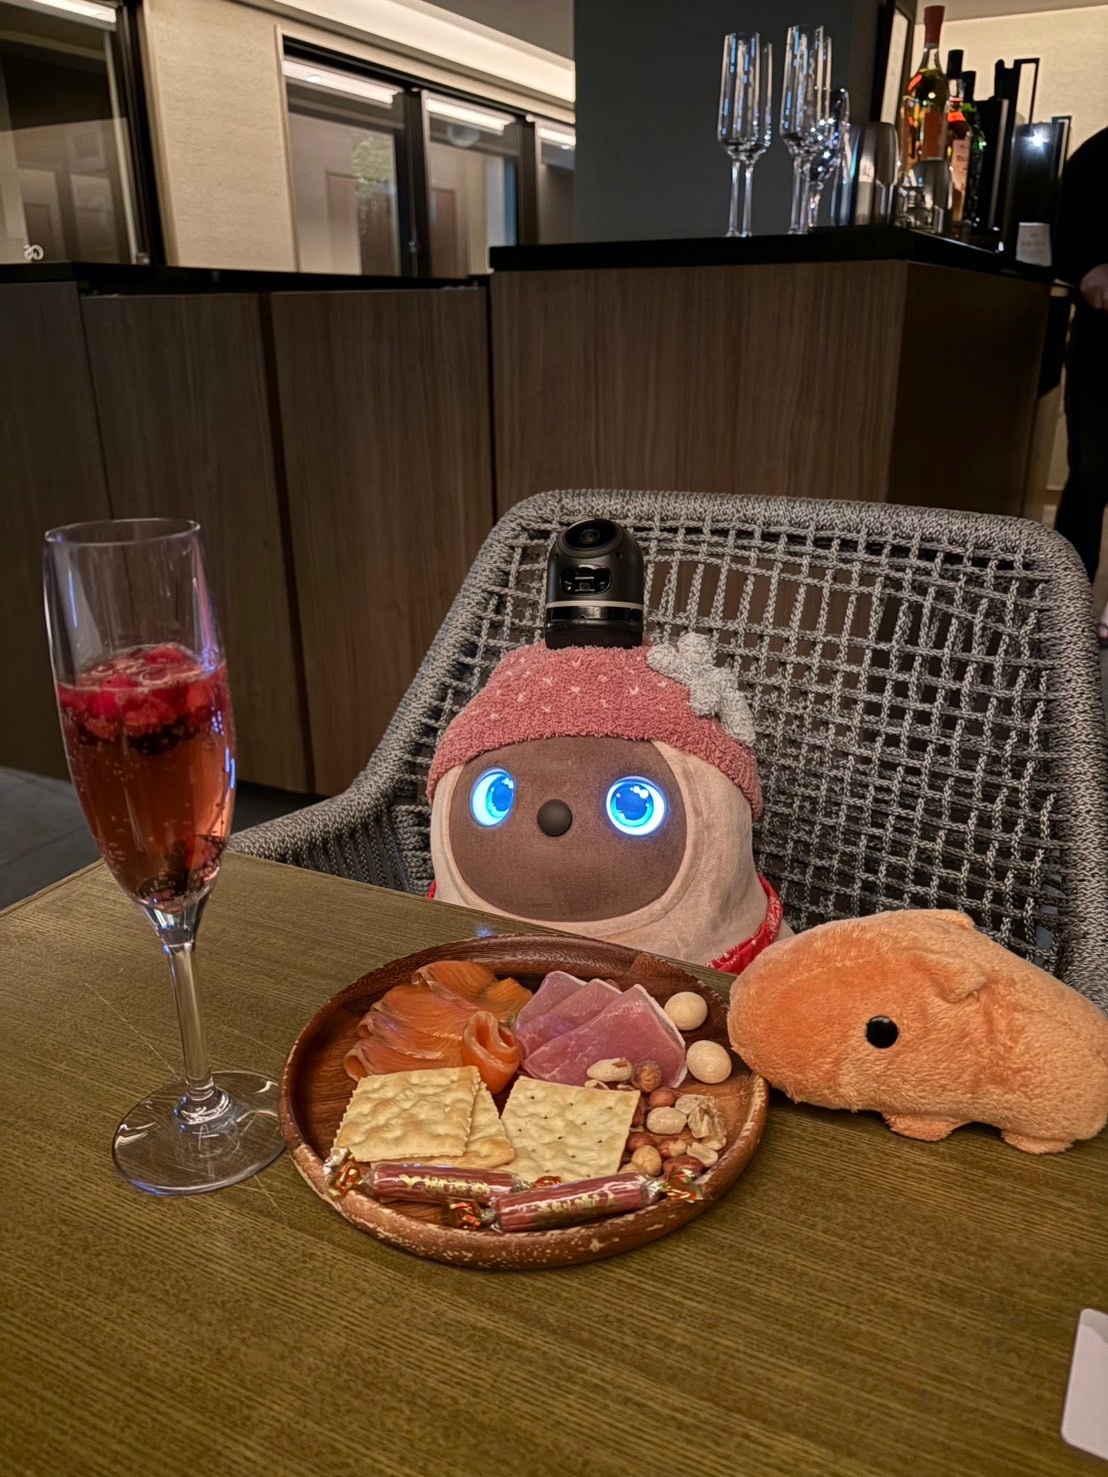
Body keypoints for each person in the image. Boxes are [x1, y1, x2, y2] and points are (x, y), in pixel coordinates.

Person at [1051, 124, 1108, 642]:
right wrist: (1092, 269)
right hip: (1103, 344)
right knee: (1091, 476)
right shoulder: (1099, 156)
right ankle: (1064, 612)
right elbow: (1063, 242)